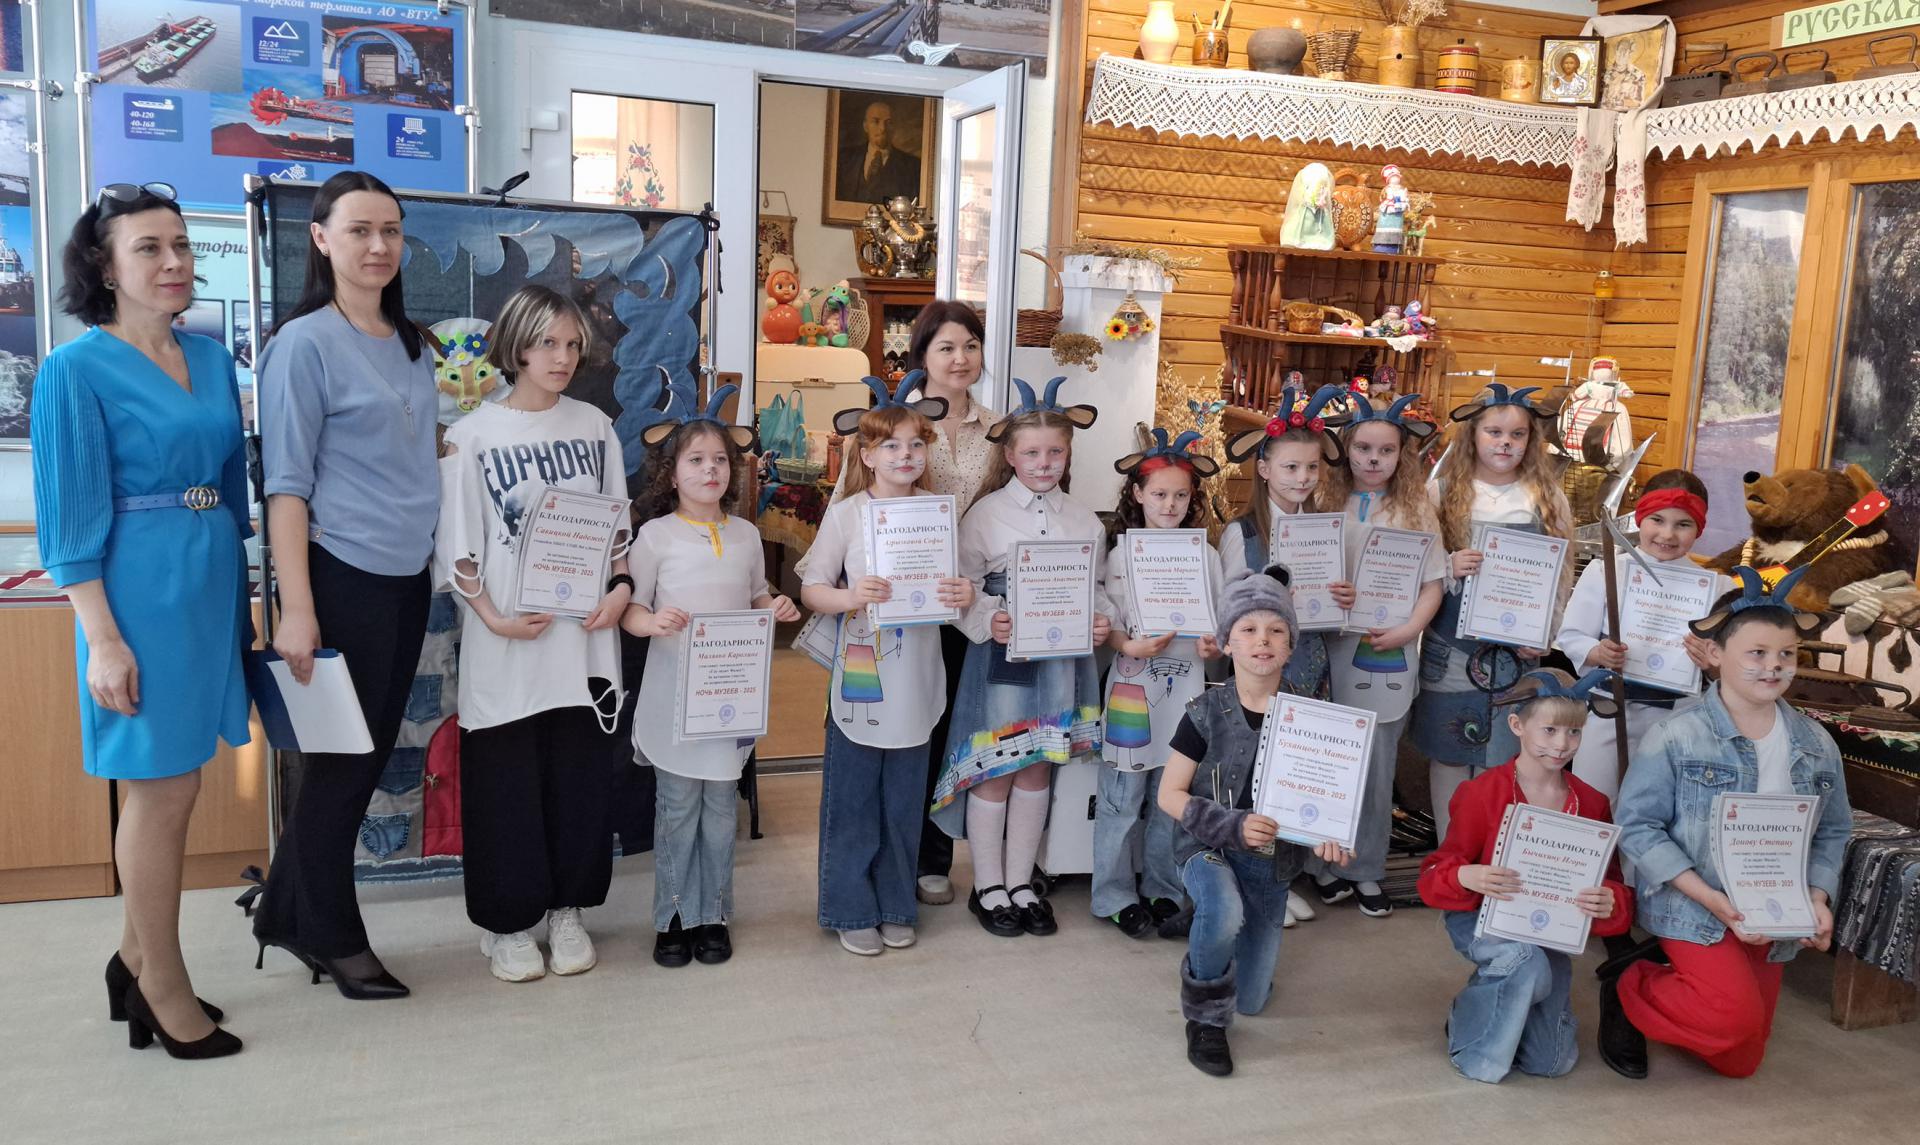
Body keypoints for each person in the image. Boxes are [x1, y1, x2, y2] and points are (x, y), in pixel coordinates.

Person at [32, 181, 247, 1059]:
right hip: (134, 590)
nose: (174, 261)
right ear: (105, 266)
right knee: (161, 789)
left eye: (182, 245)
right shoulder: (74, 368)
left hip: (206, 580)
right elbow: (67, 521)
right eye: (150, 247)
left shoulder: (213, 358)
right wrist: (103, 639)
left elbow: (228, 487)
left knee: (183, 780)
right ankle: (162, 981)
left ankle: (132, 960)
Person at [252, 171, 439, 1001]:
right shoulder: (303, 344)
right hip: (339, 579)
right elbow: (286, 487)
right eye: (360, 230)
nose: (378, 246)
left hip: (405, 577)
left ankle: (285, 910)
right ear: (321, 238)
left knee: (361, 763)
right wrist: (297, 609)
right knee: (341, 768)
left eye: (390, 230)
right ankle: (329, 929)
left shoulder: (411, 342)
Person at [434, 286, 631, 983]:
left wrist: (620, 590)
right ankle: (508, 921)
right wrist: (492, 617)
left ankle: (567, 909)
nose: (563, 357)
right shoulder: (472, 435)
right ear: (516, 345)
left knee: (577, 778)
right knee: (506, 781)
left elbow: (616, 528)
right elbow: (459, 541)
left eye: (573, 344)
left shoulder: (595, 425)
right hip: (508, 636)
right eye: (548, 342)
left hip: (581, 638)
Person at [1602, 566, 1853, 1080]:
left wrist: (1816, 898)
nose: (1773, 666)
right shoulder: (1677, 734)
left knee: (1739, 1060)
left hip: (1773, 910)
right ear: (1715, 654)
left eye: (1786, 654)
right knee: (1730, 1020)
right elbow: (1637, 824)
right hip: (1695, 904)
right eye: (1756, 653)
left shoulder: (1816, 742)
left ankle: (1688, 986)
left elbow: (1832, 830)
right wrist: (1713, 900)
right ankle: (1630, 986)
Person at [621, 388, 800, 968]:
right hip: (674, 696)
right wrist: (652, 622)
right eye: (696, 459)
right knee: (677, 808)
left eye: (720, 459)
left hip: (729, 699)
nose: (710, 470)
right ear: (671, 473)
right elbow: (631, 609)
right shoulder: (656, 537)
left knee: (722, 809)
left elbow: (756, 595)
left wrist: (774, 606)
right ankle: (673, 916)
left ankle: (714, 914)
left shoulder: (746, 535)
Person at [801, 378, 975, 956]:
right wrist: (852, 596)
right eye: (892, 445)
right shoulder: (848, 514)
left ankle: (897, 904)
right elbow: (811, 588)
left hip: (919, 672)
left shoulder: (939, 515)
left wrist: (962, 594)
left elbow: (955, 591)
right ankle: (850, 907)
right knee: (853, 799)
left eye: (916, 444)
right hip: (863, 668)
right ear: (868, 455)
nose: (906, 455)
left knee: (903, 800)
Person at [1158, 567, 1352, 1077]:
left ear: (1291, 647)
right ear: (1227, 643)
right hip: (1207, 845)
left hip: (1272, 860)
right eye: (1248, 629)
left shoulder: (1315, 717)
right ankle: (1204, 1020)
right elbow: (1169, 795)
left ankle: (1206, 928)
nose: (1262, 640)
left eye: (1276, 630)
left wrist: (1331, 837)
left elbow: (1328, 799)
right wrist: (1230, 826)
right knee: (1222, 910)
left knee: (1253, 1000)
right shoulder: (1204, 711)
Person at [934, 379, 1109, 939]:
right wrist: (988, 617)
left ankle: (1021, 881)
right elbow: (959, 586)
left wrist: (1100, 619)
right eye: (1031, 453)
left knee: (1037, 766)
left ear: (1068, 454)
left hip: (1060, 662)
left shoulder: (1084, 520)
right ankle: (987, 885)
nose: (1044, 463)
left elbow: (1097, 588)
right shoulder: (985, 515)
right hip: (1005, 659)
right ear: (1009, 455)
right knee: (999, 766)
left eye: (1055, 452)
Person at [1417, 668, 1634, 1083]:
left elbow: (1612, 882)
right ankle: (1472, 1028)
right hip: (1481, 916)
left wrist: (1608, 898)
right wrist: (1467, 876)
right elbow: (1435, 872)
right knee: (1524, 962)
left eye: (1573, 732)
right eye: (1549, 730)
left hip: (1549, 926)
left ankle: (1507, 998)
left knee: (1551, 1062)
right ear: (1517, 726)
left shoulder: (1590, 802)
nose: (1562, 744)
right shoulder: (1482, 793)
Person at [1416, 385, 1574, 840]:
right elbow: (1419, 566)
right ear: (1473, 435)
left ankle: (1492, 854)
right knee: (1449, 754)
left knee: (1507, 757)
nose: (1505, 442)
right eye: (1494, 432)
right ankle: (1451, 853)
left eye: (1517, 434)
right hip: (1452, 648)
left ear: (1530, 440)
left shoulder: (1546, 497)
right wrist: (1448, 565)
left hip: (1516, 655)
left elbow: (1562, 575)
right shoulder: (1440, 492)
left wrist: (1546, 632)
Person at [1313, 392, 1447, 918]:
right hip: (1332, 645)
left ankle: (1366, 867)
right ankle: (1322, 863)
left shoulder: (1416, 509)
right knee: (1328, 759)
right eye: (1363, 448)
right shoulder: (1324, 502)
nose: (1373, 459)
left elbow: (1433, 583)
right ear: (1346, 450)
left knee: (1376, 766)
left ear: (1401, 455)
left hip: (1390, 646)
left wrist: (1409, 629)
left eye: (1386, 451)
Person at [1218, 382, 1348, 925]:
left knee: (1297, 769)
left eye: (1312, 468)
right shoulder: (1243, 532)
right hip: (1260, 668)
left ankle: (1282, 876)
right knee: (1254, 768)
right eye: (1291, 467)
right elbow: (1228, 607)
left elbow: (1334, 608)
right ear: (1264, 468)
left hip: (1309, 663)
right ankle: (1252, 877)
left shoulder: (1325, 529)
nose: (1303, 478)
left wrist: (1341, 598)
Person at [1094, 430, 1223, 937]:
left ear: (1193, 499)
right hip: (1131, 687)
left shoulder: (1206, 556)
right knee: (1121, 797)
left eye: (1180, 495)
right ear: (1137, 494)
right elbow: (1107, 619)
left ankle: (1164, 889)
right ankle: (1113, 895)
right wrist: (1125, 645)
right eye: (1160, 494)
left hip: (1187, 688)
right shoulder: (1118, 555)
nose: (1170, 505)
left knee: (1173, 794)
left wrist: (1213, 648)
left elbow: (1218, 625)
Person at [899, 303, 1000, 908]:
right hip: (910, 599)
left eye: (970, 346)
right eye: (946, 347)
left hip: (973, 600)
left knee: (955, 728)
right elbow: (855, 502)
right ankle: (900, 853)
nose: (960, 359)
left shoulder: (1001, 429)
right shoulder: (898, 422)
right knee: (909, 727)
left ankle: (935, 856)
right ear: (923, 356)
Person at [1555, 468, 1724, 801]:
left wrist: (1711, 663)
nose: (1667, 534)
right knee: (1596, 804)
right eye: (1657, 520)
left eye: (1683, 524)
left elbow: (1726, 664)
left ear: (1699, 529)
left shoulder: (1715, 588)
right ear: (1641, 518)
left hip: (1678, 719)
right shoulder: (1606, 571)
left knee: (1658, 807)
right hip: (1609, 712)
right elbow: (1571, 635)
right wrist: (1598, 652)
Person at [835, 97, 922, 204]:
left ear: (894, 127)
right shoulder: (843, 159)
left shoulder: (913, 167)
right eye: (876, 121)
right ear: (865, 126)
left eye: (888, 122)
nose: (883, 128)